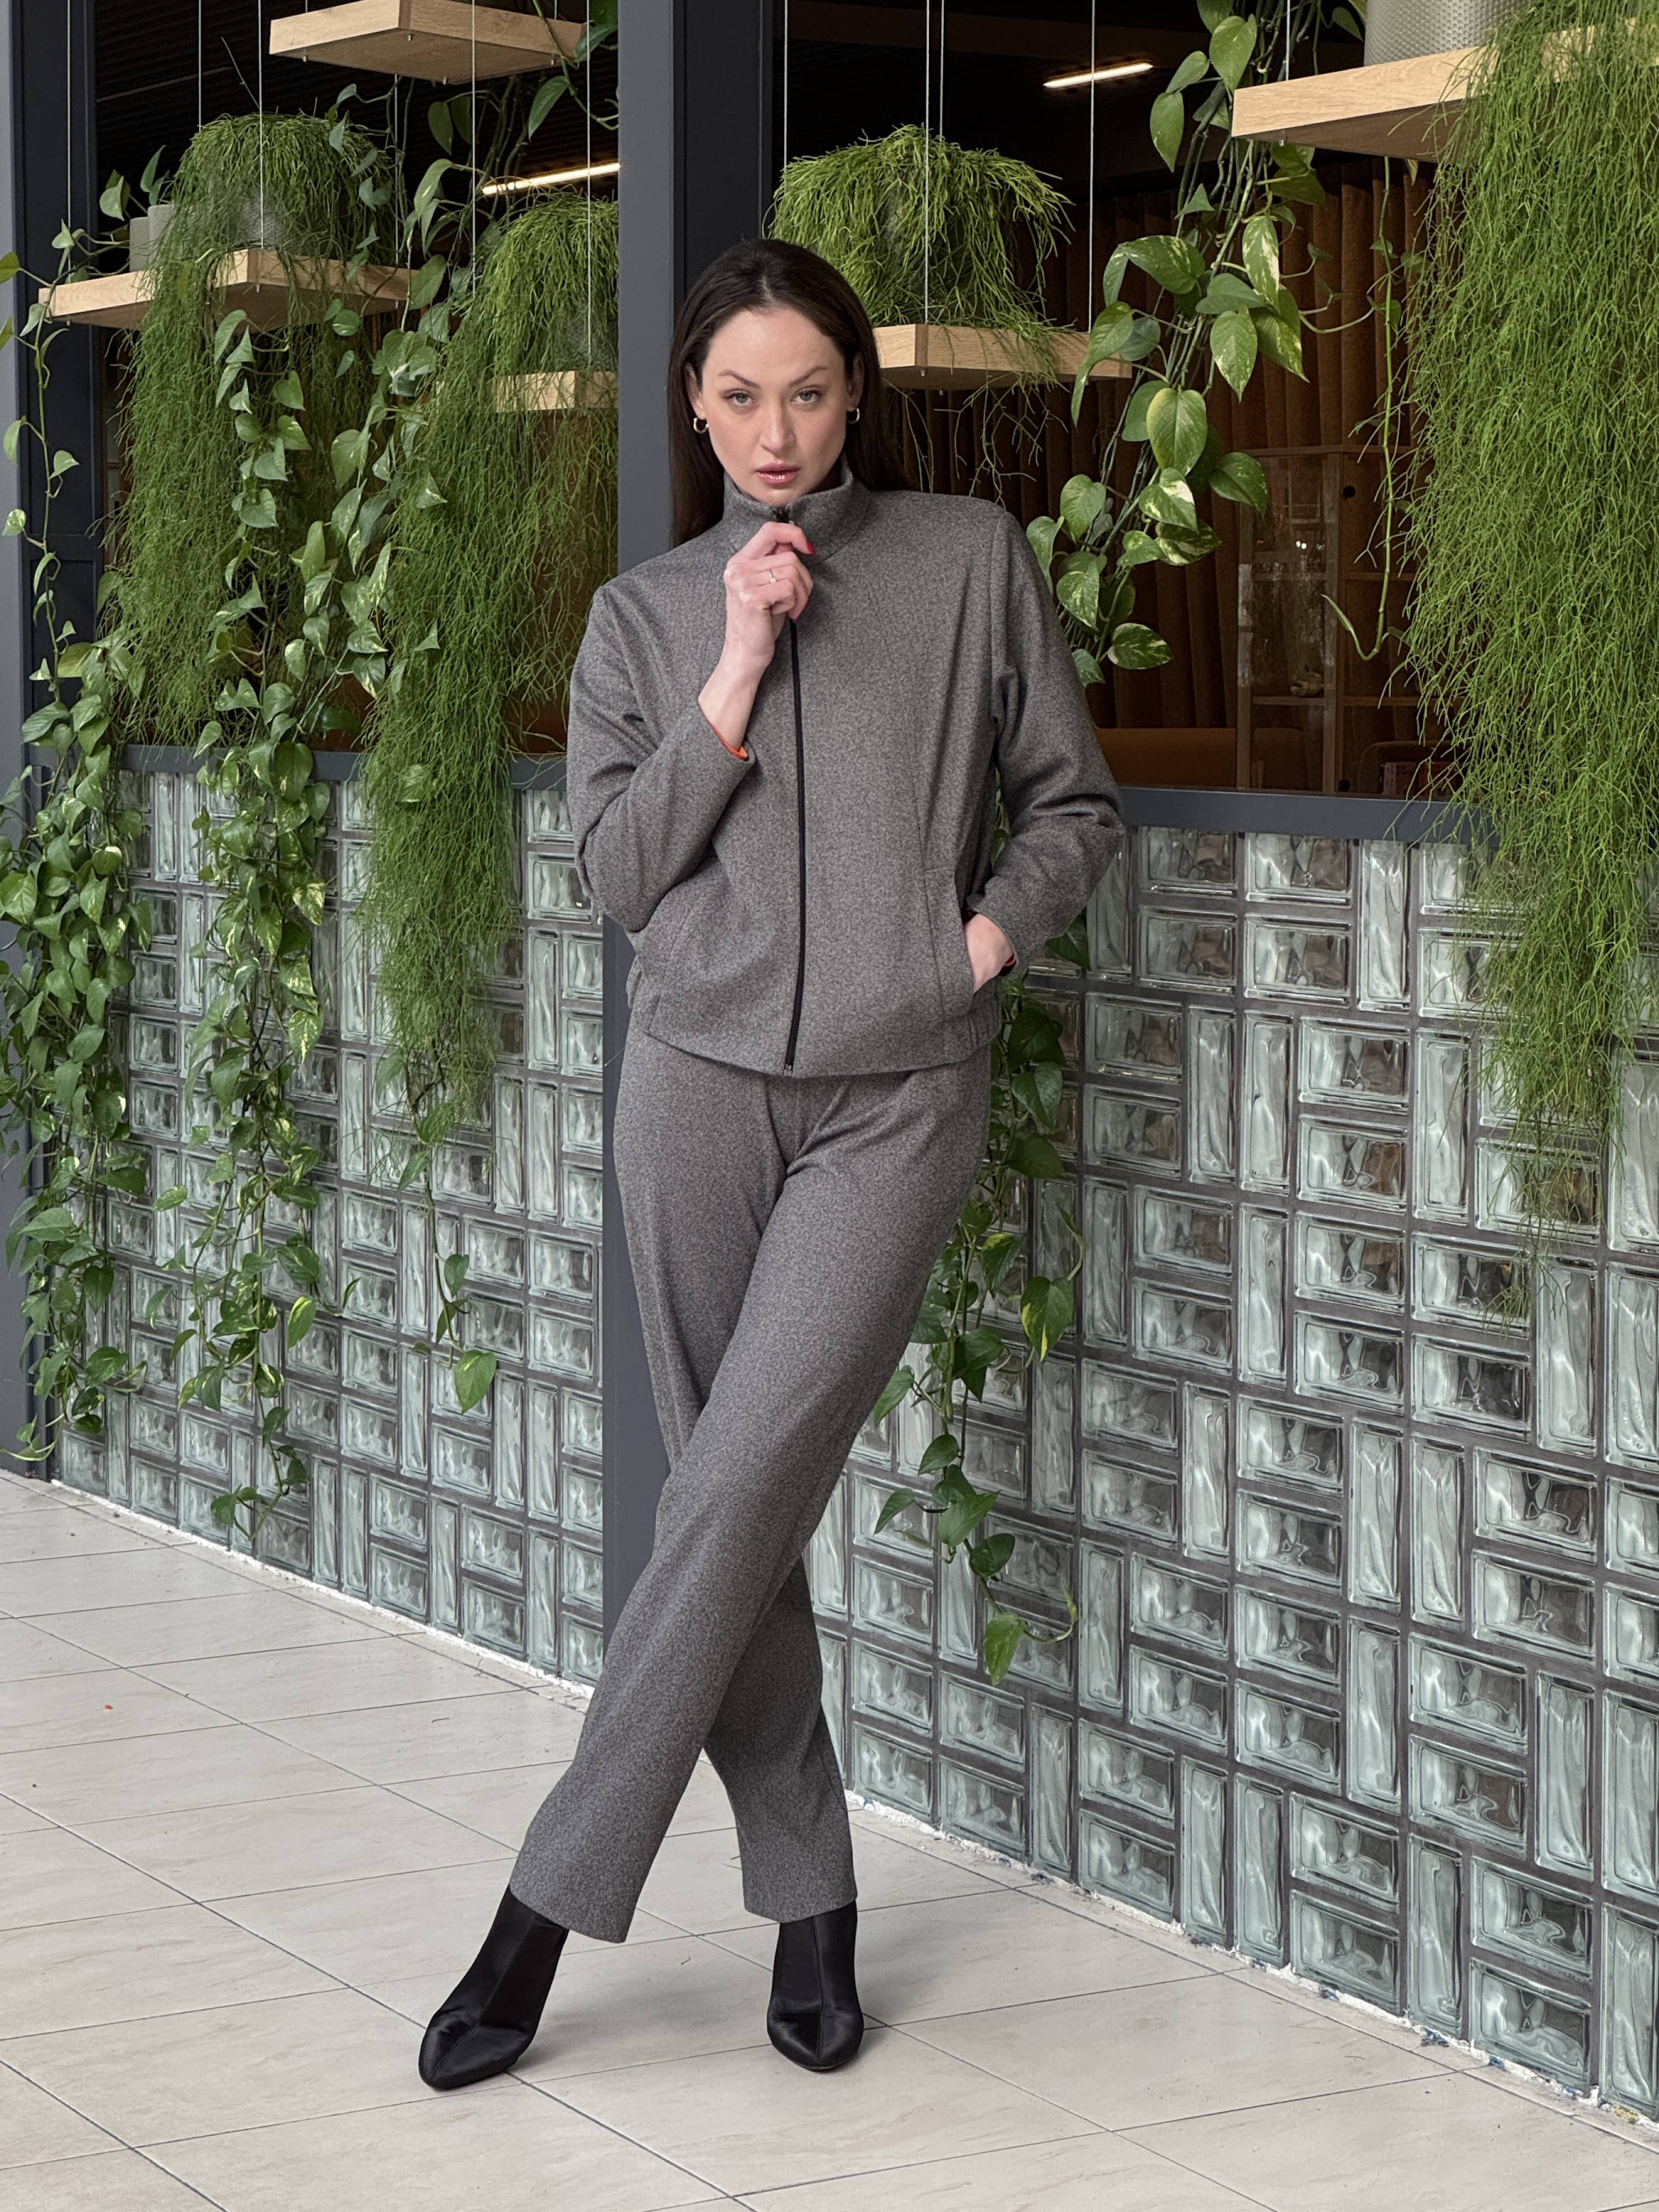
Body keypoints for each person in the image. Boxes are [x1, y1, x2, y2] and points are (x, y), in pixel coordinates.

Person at [417, 235, 1124, 2092]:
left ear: (855, 391)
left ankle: (533, 1919)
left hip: (896, 1099)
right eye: (737, 396)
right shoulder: (643, 616)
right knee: (730, 1515)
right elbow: (614, 875)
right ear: (694, 406)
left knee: (727, 1499)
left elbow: (1071, 804)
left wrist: (974, 948)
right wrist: (733, 663)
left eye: (806, 390)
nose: (775, 430)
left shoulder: (966, 563)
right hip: (693, 1096)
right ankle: (811, 1906)